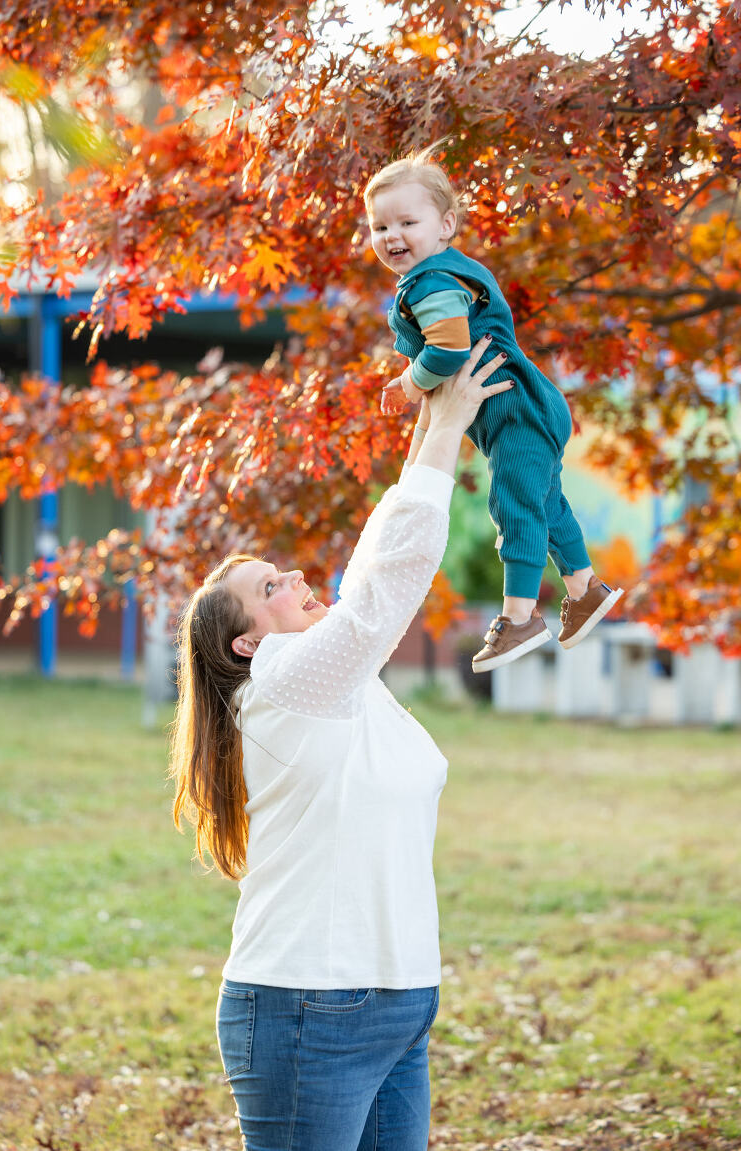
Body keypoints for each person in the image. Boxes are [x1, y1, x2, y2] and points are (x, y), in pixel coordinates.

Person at [168, 336, 513, 1151]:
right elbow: (379, 593)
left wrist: (432, 419)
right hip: (305, 1006)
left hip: (398, 1001)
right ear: (249, 643)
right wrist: (447, 430)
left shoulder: (340, 682)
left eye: (282, 569)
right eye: (270, 587)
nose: (295, 579)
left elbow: (367, 576)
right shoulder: (284, 682)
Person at [364, 148, 624, 671]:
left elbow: (449, 349)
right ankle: (586, 589)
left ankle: (520, 619)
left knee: (516, 508)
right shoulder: (444, 274)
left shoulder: (432, 281)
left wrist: (411, 383)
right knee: (546, 505)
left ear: (446, 225)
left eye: (407, 222)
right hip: (525, 407)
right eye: (379, 226)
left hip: (517, 414)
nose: (392, 236)